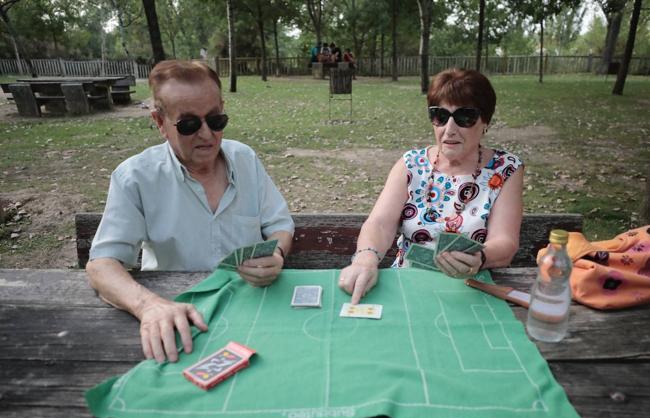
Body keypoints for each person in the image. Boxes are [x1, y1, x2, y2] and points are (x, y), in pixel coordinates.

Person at [86, 60, 294, 363]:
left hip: (254, 309)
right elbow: (101, 265)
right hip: (177, 316)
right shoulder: (135, 177)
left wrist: (276, 255)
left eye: (215, 119)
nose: (207, 134)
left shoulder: (245, 159)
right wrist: (148, 306)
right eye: (189, 125)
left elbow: (279, 225)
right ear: (159, 122)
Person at [338, 68, 524, 304]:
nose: (450, 129)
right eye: (440, 116)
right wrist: (365, 258)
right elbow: (380, 223)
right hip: (408, 284)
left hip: (469, 290)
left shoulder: (505, 169)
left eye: (465, 117)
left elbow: (505, 241)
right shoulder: (411, 164)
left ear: (485, 121)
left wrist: (481, 257)